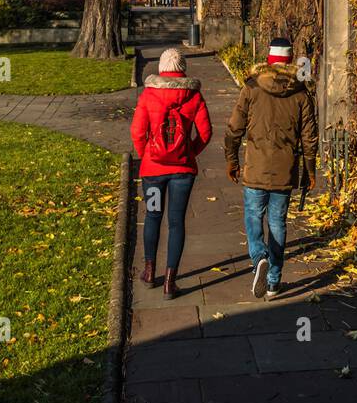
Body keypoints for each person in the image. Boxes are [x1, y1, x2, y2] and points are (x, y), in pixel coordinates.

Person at [224, 35, 318, 300]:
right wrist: (310, 170)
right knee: (278, 222)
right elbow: (309, 137)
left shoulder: (252, 89)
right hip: (285, 170)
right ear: (289, 60)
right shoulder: (301, 93)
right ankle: (274, 282)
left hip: (255, 167)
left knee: (253, 216)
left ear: (268, 58)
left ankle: (259, 257)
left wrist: (232, 159)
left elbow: (234, 129)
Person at [130, 47, 212, 297]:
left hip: (153, 172)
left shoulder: (148, 95)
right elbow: (206, 133)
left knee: (153, 215)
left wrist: (148, 156)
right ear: (183, 68)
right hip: (182, 173)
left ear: (162, 68)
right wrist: (188, 152)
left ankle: (148, 271)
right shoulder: (194, 96)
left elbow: (137, 132)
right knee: (176, 223)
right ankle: (169, 281)